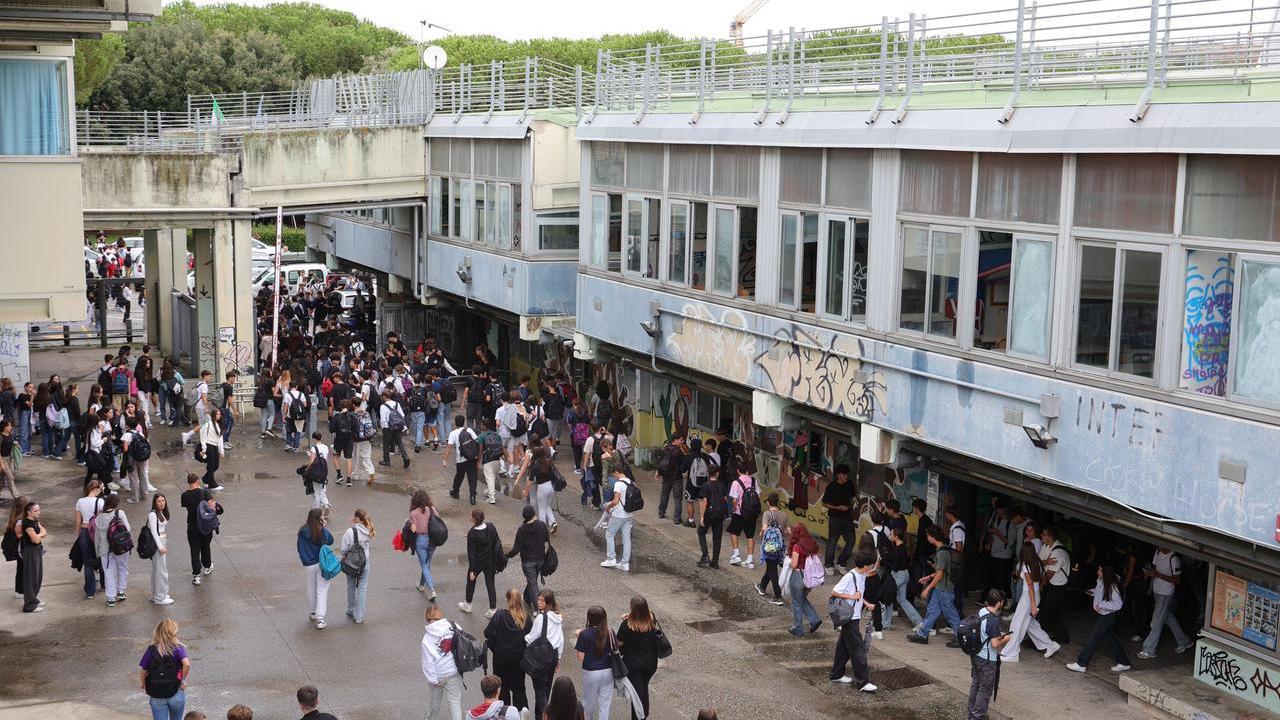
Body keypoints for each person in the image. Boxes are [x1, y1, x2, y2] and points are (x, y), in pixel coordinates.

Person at [1067, 564, 1132, 673]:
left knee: (1093, 639)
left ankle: (1081, 663)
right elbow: (1099, 591)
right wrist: (1092, 592)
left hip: (1108, 616)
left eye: (1100, 570)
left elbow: (1118, 604)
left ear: (1106, 572)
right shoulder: (1102, 580)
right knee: (1112, 639)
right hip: (1104, 615)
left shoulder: (1112, 585)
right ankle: (1124, 662)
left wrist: (1101, 605)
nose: (1098, 572)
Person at [1000, 541, 1059, 661]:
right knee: (1030, 625)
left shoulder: (1025, 566)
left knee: (1017, 624)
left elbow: (1030, 586)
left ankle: (1012, 653)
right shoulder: (1036, 563)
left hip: (1029, 597)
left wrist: (1032, 605)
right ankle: (1050, 645)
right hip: (1035, 595)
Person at [907, 524, 964, 645]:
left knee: (951, 614)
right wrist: (928, 577)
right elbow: (940, 572)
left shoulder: (941, 553)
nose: (927, 538)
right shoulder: (944, 549)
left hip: (944, 589)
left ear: (933, 537)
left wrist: (927, 588)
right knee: (932, 611)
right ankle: (922, 634)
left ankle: (961, 639)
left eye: (928, 536)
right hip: (941, 588)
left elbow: (940, 574)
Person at [829, 551, 878, 692]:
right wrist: (852, 596)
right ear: (865, 565)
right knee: (858, 649)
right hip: (849, 617)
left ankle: (836, 674)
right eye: (871, 564)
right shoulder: (851, 576)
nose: (873, 566)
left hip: (853, 616)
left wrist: (866, 603)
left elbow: (859, 594)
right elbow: (834, 592)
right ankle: (863, 682)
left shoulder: (862, 575)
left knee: (843, 647)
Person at [1138, 547, 1193, 659]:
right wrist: (1150, 576)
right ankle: (1184, 641)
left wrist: (1157, 575)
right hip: (1157, 590)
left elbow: (1177, 580)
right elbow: (1154, 569)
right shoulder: (1157, 552)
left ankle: (1149, 649)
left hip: (1166, 593)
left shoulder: (1174, 558)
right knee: (1167, 617)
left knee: (1157, 621)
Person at [483, 588, 532, 713]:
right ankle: (521, 712)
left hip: (500, 658)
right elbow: (531, 638)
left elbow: (488, 633)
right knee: (519, 688)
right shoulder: (526, 618)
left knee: (502, 688)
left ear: (507, 600)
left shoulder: (499, 615)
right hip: (518, 658)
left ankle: (504, 713)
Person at [967, 590, 1012, 720]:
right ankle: (977, 717)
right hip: (987, 660)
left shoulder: (981, 612)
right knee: (985, 689)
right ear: (999, 603)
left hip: (975, 656)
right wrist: (1006, 638)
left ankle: (971, 713)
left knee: (975, 684)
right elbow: (994, 644)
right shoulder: (993, 620)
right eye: (1002, 602)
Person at [617, 595, 660, 720]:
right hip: (650, 662)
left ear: (632, 610)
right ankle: (644, 714)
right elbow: (646, 615)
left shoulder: (626, 625)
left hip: (633, 663)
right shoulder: (652, 620)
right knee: (643, 686)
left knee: (637, 693)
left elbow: (618, 643)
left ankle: (638, 717)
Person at [140, 619, 190, 720]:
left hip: (156, 694)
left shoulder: (151, 650)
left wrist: (143, 683)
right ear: (174, 632)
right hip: (176, 691)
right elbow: (187, 664)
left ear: (157, 632)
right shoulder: (178, 647)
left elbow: (144, 671)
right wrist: (182, 678)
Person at [526, 589, 565, 719]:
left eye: (542, 600)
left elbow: (532, 637)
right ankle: (541, 714)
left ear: (548, 602)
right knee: (547, 688)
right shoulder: (557, 617)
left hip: (541, 656)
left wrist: (525, 638)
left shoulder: (541, 618)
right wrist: (558, 658)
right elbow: (561, 639)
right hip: (553, 654)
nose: (539, 602)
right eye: (538, 599)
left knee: (540, 690)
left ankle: (543, 715)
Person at [422, 603, 464, 720]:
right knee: (455, 703)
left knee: (434, 705)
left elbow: (427, 662)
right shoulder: (453, 625)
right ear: (440, 614)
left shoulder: (427, 638)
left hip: (438, 675)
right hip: (453, 670)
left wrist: (432, 679)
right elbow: (463, 639)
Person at [575, 606, 616, 720]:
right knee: (605, 704)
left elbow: (580, 657)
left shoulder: (585, 634)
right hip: (608, 671)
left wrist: (579, 637)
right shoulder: (610, 631)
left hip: (591, 671)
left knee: (589, 704)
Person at [296, 508, 334, 629]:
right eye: (322, 516)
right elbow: (330, 540)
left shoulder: (302, 531)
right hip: (322, 563)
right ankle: (320, 618)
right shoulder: (321, 530)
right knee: (322, 590)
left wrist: (305, 559)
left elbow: (299, 547)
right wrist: (324, 527)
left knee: (311, 587)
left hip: (309, 564)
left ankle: (313, 612)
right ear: (319, 518)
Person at [507, 505, 550, 607]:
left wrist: (507, 555)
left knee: (532, 583)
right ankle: (527, 598)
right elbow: (546, 539)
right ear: (534, 514)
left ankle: (538, 606)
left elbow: (516, 549)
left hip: (528, 562)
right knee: (532, 580)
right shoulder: (541, 525)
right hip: (540, 559)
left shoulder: (522, 530)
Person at [460, 509, 500, 617]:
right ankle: (493, 609)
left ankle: (468, 604)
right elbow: (496, 542)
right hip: (490, 561)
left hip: (478, 562)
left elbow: (471, 553)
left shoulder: (472, 533)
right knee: (490, 583)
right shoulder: (491, 527)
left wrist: (472, 570)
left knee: (471, 582)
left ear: (474, 519)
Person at [180, 475, 219, 585]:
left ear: (188, 482)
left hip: (192, 526)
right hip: (205, 525)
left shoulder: (184, 495)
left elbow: (185, 506)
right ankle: (207, 566)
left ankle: (196, 575)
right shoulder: (204, 493)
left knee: (194, 550)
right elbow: (212, 508)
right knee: (206, 546)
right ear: (197, 481)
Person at [94, 492, 130, 607]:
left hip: (105, 550)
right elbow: (127, 529)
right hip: (120, 547)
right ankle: (121, 591)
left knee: (109, 573)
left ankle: (110, 598)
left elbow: (97, 537)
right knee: (123, 568)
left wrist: (97, 551)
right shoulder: (119, 513)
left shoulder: (98, 518)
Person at [788, 523, 823, 636]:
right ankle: (814, 620)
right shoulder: (813, 544)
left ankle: (797, 628)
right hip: (811, 578)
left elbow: (794, 564)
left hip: (798, 576)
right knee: (801, 599)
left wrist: (787, 563)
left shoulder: (797, 547)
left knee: (796, 602)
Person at [1038, 526, 1071, 644]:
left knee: (1051, 610)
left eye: (1044, 535)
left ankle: (1058, 635)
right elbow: (1038, 561)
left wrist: (1041, 586)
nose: (1041, 536)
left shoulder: (1058, 552)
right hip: (1052, 584)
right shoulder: (1046, 546)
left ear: (1050, 537)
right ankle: (1050, 633)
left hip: (1058, 586)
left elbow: (1050, 573)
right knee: (1050, 609)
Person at [886, 527, 924, 630]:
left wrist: (885, 561)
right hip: (904, 575)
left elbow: (895, 566)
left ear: (896, 536)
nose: (889, 536)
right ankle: (919, 622)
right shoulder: (902, 548)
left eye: (891, 534)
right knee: (902, 599)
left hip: (898, 575)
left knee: (887, 596)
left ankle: (885, 623)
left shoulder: (899, 550)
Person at [341, 508, 375, 624]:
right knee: (362, 588)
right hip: (365, 563)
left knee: (350, 586)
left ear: (356, 518)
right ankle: (359, 616)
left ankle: (351, 609)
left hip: (352, 564)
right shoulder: (369, 530)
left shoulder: (350, 532)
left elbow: (343, 549)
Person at [755, 493, 789, 605]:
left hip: (769, 546)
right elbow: (788, 530)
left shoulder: (767, 513)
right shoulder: (784, 514)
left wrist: (762, 531)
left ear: (769, 503)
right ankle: (762, 587)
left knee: (773, 570)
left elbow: (765, 528)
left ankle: (778, 596)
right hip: (779, 546)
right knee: (771, 566)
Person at [821, 464, 856, 572]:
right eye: (845, 474)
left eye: (847, 474)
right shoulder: (831, 486)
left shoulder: (849, 484)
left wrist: (854, 499)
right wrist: (838, 507)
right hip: (835, 518)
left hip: (847, 518)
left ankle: (841, 562)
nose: (846, 476)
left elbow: (853, 496)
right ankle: (828, 565)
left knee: (851, 541)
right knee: (832, 542)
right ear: (839, 475)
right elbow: (824, 503)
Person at [76, 479, 106, 598]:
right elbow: (103, 520)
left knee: (87, 562)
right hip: (96, 533)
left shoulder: (80, 501)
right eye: (101, 489)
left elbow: (78, 522)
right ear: (96, 489)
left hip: (84, 531)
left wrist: (79, 536)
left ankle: (90, 591)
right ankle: (104, 584)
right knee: (102, 557)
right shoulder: (100, 502)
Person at [520, 448, 559, 533]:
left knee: (541, 508)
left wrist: (526, 491)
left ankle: (542, 527)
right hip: (551, 487)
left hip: (542, 488)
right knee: (547, 505)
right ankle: (553, 522)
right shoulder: (548, 462)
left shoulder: (535, 465)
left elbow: (530, 480)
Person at [696, 466, 727, 569]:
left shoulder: (706, 486)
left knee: (701, 531)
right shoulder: (722, 485)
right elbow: (725, 499)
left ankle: (705, 555)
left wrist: (702, 517)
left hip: (709, 513)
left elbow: (704, 501)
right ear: (717, 473)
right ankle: (715, 562)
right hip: (719, 514)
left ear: (708, 474)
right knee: (717, 537)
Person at [411, 489, 440, 598]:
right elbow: (438, 521)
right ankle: (421, 585)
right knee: (427, 564)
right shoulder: (432, 509)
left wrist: (410, 524)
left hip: (421, 540)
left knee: (424, 565)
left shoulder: (413, 513)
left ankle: (432, 589)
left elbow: (413, 530)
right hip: (433, 540)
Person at [444, 414, 480, 505]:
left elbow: (449, 447)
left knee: (459, 476)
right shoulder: (469, 430)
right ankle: (472, 496)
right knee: (472, 477)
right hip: (472, 457)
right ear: (463, 422)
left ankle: (455, 491)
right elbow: (477, 441)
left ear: (455, 423)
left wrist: (445, 459)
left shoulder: (453, 433)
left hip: (461, 459)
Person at [727, 470, 758, 569]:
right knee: (750, 536)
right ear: (747, 471)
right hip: (751, 514)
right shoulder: (754, 481)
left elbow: (734, 500)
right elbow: (758, 496)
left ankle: (736, 554)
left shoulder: (736, 482)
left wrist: (734, 509)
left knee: (733, 532)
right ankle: (750, 560)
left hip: (739, 513)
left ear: (738, 471)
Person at [982, 501, 1014, 597]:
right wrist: (989, 543)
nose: (998, 511)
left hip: (1004, 556)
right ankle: (991, 598)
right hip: (993, 554)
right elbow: (992, 535)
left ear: (1005, 510)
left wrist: (997, 533)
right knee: (992, 579)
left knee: (1002, 581)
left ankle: (1002, 600)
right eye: (997, 509)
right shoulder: (995, 520)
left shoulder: (1010, 523)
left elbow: (1010, 542)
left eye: (1000, 509)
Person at [148, 493, 174, 605]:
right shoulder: (153, 514)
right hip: (158, 543)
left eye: (163, 500)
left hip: (162, 541)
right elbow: (154, 531)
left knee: (158, 569)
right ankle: (160, 597)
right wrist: (160, 547)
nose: (162, 503)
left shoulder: (162, 513)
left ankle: (158, 593)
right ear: (155, 503)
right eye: (159, 501)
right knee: (161, 571)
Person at [19, 500, 45, 612]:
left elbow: (44, 531)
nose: (38, 512)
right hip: (30, 551)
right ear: (28, 512)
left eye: (39, 510)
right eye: (36, 511)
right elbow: (35, 540)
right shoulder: (27, 523)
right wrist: (40, 535)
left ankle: (34, 599)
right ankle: (29, 605)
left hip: (37, 550)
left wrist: (39, 535)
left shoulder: (34, 520)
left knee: (38, 575)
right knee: (31, 577)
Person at [654, 434, 686, 524]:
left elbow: (661, 462)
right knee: (677, 498)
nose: (682, 442)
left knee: (664, 495)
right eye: (681, 440)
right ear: (675, 440)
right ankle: (677, 518)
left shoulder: (666, 449)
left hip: (666, 477)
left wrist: (659, 472)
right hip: (676, 478)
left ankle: (661, 512)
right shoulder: (679, 452)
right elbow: (683, 465)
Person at [379, 387, 411, 468]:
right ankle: (405, 457)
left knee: (386, 444)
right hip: (397, 426)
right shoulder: (397, 404)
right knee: (399, 442)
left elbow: (383, 419)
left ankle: (386, 461)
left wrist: (384, 427)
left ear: (384, 397)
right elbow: (402, 415)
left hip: (388, 428)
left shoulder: (383, 406)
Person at [329, 398, 356, 487]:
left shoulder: (336, 416)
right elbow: (356, 429)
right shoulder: (353, 416)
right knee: (349, 459)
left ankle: (339, 475)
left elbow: (331, 429)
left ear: (340, 406)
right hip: (349, 439)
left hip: (338, 439)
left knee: (336, 456)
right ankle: (349, 479)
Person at [198, 408, 226, 491]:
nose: (219, 416)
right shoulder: (208, 424)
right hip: (208, 446)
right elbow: (202, 435)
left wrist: (221, 450)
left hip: (214, 446)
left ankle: (205, 479)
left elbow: (220, 438)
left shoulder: (218, 424)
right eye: (217, 414)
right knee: (211, 466)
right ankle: (212, 484)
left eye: (220, 414)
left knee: (216, 465)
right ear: (213, 415)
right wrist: (204, 447)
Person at [303, 432, 331, 510]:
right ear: (321, 438)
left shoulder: (313, 448)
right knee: (322, 488)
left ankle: (317, 510)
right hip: (324, 470)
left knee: (316, 492)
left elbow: (311, 461)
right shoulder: (326, 447)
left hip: (316, 471)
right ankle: (325, 504)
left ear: (314, 439)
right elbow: (326, 459)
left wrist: (306, 468)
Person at [352, 402, 377, 486]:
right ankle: (370, 471)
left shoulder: (353, 414)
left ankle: (355, 474)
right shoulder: (366, 413)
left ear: (353, 405)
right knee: (366, 456)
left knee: (355, 456)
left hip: (356, 439)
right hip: (367, 438)